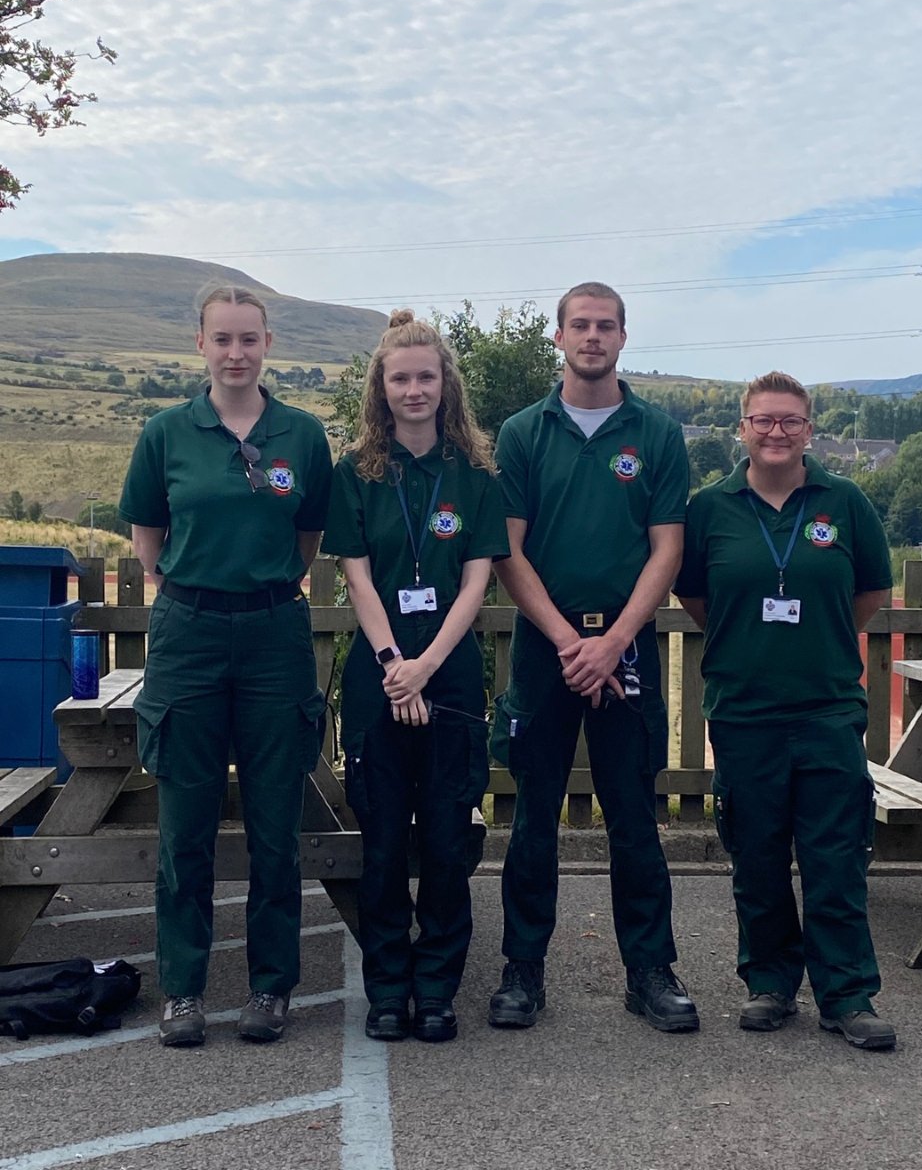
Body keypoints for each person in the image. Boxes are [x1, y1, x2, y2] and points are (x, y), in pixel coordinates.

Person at [119, 285, 332, 1047]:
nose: (236, 353)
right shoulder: (167, 433)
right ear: (200, 344)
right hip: (190, 632)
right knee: (186, 825)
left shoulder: (302, 436)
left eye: (249, 339)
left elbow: (306, 538)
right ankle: (183, 989)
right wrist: (198, 582)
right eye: (223, 340)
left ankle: (271, 987)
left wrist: (260, 584)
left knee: (276, 823)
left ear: (269, 343)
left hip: (275, 631)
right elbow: (149, 539)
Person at [488, 282, 699, 1033]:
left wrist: (611, 642)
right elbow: (507, 549)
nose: (592, 337)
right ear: (559, 337)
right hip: (547, 652)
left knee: (635, 818)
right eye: (580, 325)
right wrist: (569, 642)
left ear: (623, 337)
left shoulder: (658, 433)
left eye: (605, 326)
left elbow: (667, 547)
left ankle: (650, 972)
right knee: (532, 817)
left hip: (628, 646)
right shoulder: (522, 432)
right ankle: (522, 971)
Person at [675, 371, 896, 1051]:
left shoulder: (845, 502)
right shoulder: (710, 508)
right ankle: (769, 983)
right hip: (744, 711)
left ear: (809, 429)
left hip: (827, 709)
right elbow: (696, 601)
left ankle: (847, 993)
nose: (776, 432)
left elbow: (869, 594)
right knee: (759, 856)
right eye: (763, 420)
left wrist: (814, 642)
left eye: (790, 421)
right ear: (743, 428)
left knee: (834, 858)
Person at [321, 309, 508, 1043]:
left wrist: (428, 666)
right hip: (381, 685)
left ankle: (437, 990)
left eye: (426, 376)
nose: (414, 389)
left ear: (445, 384)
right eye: (400, 378)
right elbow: (358, 582)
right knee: (382, 849)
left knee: (443, 845)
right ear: (382, 388)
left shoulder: (475, 477)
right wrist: (397, 665)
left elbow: (474, 586)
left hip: (452, 684)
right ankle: (388, 992)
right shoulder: (355, 475)